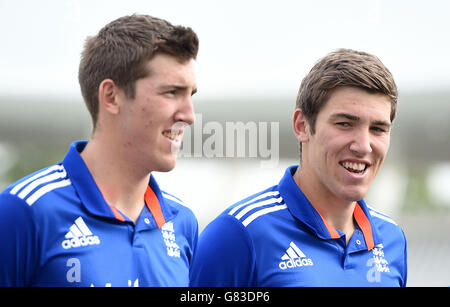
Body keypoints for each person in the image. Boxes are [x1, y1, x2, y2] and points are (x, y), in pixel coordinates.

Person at [0, 14, 199, 286]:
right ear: (111, 97)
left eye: (191, 95)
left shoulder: (183, 223)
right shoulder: (23, 211)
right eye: (171, 92)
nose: (189, 115)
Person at [190, 49, 407, 287]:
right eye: (344, 124)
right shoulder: (239, 234)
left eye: (378, 129)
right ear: (302, 126)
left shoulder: (391, 238)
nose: (363, 146)